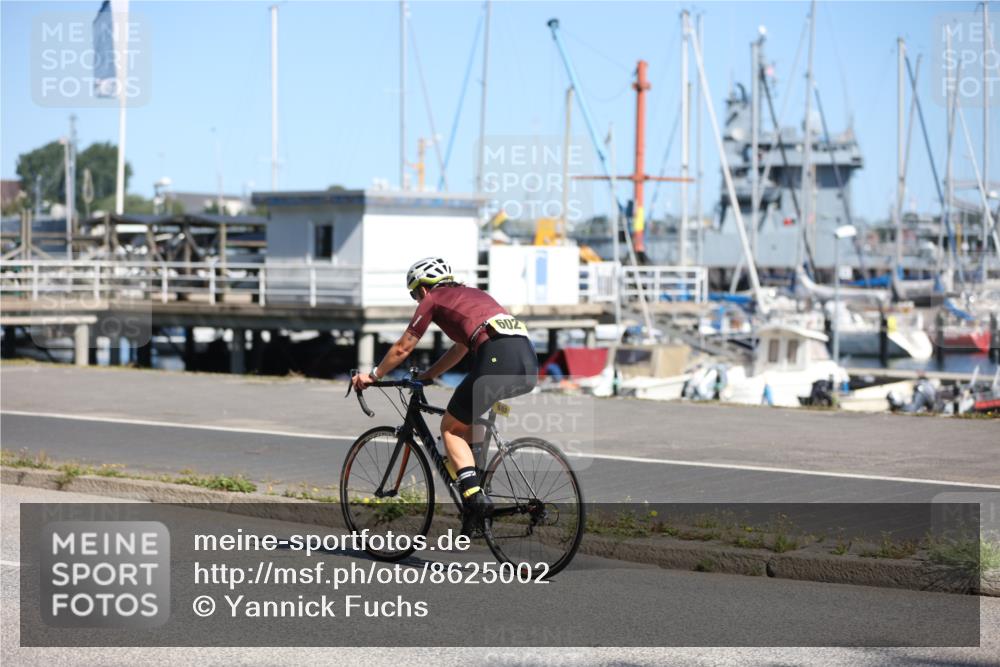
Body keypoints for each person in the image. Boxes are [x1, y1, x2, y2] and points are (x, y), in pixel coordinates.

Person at [351, 257, 538, 531]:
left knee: (449, 429)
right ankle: (475, 506)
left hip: (496, 360)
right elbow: (460, 349)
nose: (418, 300)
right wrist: (428, 375)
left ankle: (476, 500)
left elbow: (404, 347)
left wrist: (373, 375)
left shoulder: (433, 299)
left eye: (415, 294)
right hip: (527, 362)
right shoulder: (474, 295)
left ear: (423, 289)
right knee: (468, 426)